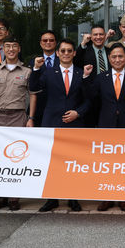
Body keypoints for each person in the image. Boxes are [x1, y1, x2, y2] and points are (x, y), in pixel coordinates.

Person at [84, 42, 125, 212]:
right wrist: (87, 78)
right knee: (108, 164)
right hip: (106, 125)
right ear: (109, 59)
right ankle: (107, 197)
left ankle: (124, 197)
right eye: (114, 57)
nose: (117, 59)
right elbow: (92, 100)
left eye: (120, 56)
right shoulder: (100, 77)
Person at [30, 39, 87, 213]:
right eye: (63, 51)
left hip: (74, 123)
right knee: (52, 162)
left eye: (69, 51)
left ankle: (73, 198)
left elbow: (89, 99)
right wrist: (36, 69)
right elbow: (33, 88)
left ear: (74, 53)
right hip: (52, 122)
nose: (66, 54)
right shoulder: (47, 73)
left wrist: (78, 112)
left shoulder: (81, 73)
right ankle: (52, 199)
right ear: (57, 53)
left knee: (73, 162)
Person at [0, 36, 33, 212]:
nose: (10, 49)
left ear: (19, 49)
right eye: (7, 46)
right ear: (2, 49)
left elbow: (32, 95)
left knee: (16, 158)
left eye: (14, 46)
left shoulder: (26, 71)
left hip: (17, 117)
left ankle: (14, 197)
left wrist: (30, 117)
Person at [26, 30, 59, 127]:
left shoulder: (63, 60)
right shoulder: (33, 62)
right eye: (45, 40)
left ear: (55, 43)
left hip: (58, 108)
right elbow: (32, 87)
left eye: (51, 40)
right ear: (40, 43)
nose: (48, 42)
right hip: (38, 109)